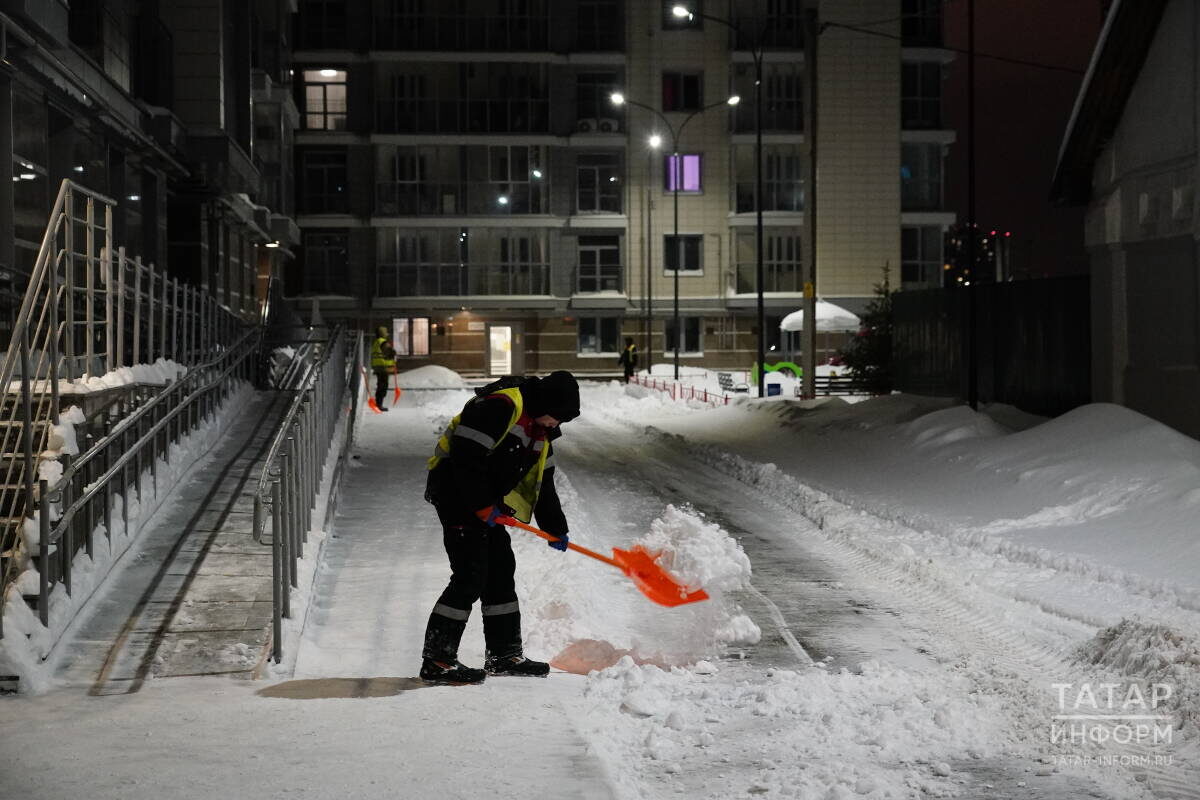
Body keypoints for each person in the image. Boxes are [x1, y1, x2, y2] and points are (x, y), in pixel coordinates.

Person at [421, 371, 580, 684]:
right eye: (556, 416)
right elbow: (465, 458)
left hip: (485, 501)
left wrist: (555, 527)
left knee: (500, 569)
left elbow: (544, 483)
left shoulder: (541, 430)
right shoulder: (501, 406)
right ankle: (438, 660)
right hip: (455, 493)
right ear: (545, 403)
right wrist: (481, 505)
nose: (556, 424)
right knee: (470, 574)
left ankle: (504, 655)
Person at [369, 325, 396, 410]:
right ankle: (379, 404)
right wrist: (393, 353)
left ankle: (378, 403)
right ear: (383, 333)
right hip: (383, 367)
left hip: (378, 367)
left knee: (380, 384)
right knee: (383, 385)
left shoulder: (377, 342)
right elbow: (389, 353)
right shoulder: (383, 343)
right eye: (386, 332)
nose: (387, 334)